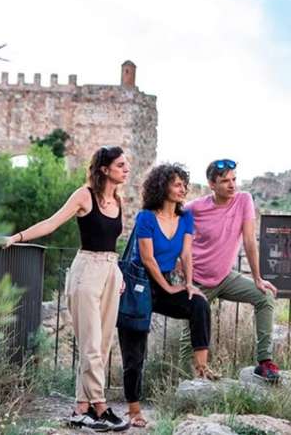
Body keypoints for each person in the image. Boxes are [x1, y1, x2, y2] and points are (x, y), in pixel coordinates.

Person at [1, 146, 131, 432]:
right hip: (86, 272)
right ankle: (100, 407)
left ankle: (80, 410)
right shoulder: (84, 195)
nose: (127, 168)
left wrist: (118, 271)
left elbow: (112, 244)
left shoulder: (119, 200)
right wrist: (16, 237)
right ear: (104, 169)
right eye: (121, 164)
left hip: (111, 271)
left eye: (126, 164)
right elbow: (52, 223)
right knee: (91, 344)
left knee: (102, 344)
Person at [117, 163, 218, 428]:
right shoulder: (146, 218)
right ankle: (134, 409)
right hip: (139, 285)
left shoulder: (185, 218)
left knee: (198, 304)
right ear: (162, 187)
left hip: (165, 284)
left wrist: (188, 284)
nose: (182, 188)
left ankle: (201, 367)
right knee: (134, 351)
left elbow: (185, 254)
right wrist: (169, 287)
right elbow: (148, 259)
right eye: (177, 183)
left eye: (184, 183)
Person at [180, 159, 281, 382]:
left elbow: (249, 241)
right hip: (198, 281)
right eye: (225, 181)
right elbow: (171, 226)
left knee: (264, 297)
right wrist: (179, 266)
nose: (232, 185)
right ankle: (185, 383)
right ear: (211, 184)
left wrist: (257, 278)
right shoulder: (195, 207)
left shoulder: (243, 200)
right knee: (190, 338)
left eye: (234, 179)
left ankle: (265, 362)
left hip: (225, 277)